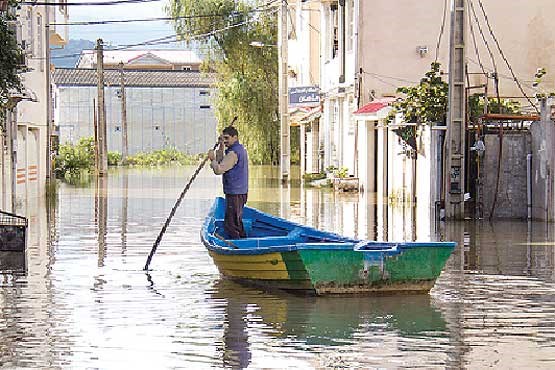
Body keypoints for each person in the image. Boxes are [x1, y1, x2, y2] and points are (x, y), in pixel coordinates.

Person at [208, 126, 249, 239]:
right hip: (240, 191)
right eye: (223, 138)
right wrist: (221, 147)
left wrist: (212, 159)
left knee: (231, 224)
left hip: (235, 192)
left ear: (235, 137)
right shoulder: (239, 149)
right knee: (237, 221)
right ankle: (242, 240)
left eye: (227, 138)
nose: (225, 141)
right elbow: (222, 161)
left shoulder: (233, 154)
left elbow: (219, 169)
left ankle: (237, 246)